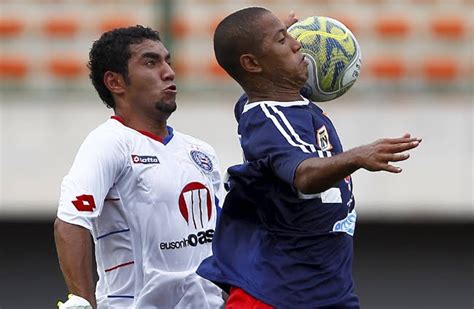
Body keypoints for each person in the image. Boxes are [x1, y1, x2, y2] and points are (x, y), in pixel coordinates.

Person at [197, 7, 422, 309]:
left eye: (288, 35)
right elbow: (303, 174)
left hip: (327, 286)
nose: (296, 43)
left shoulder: (280, 102)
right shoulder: (269, 121)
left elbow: (252, 90)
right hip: (279, 292)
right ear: (252, 63)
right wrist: (357, 156)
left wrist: (271, 42)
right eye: (282, 41)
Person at [54, 25, 225, 308]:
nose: (168, 72)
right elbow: (70, 222)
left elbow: (222, 236)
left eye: (167, 61)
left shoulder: (200, 151)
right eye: (150, 62)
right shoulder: (109, 143)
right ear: (116, 82)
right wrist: (82, 302)